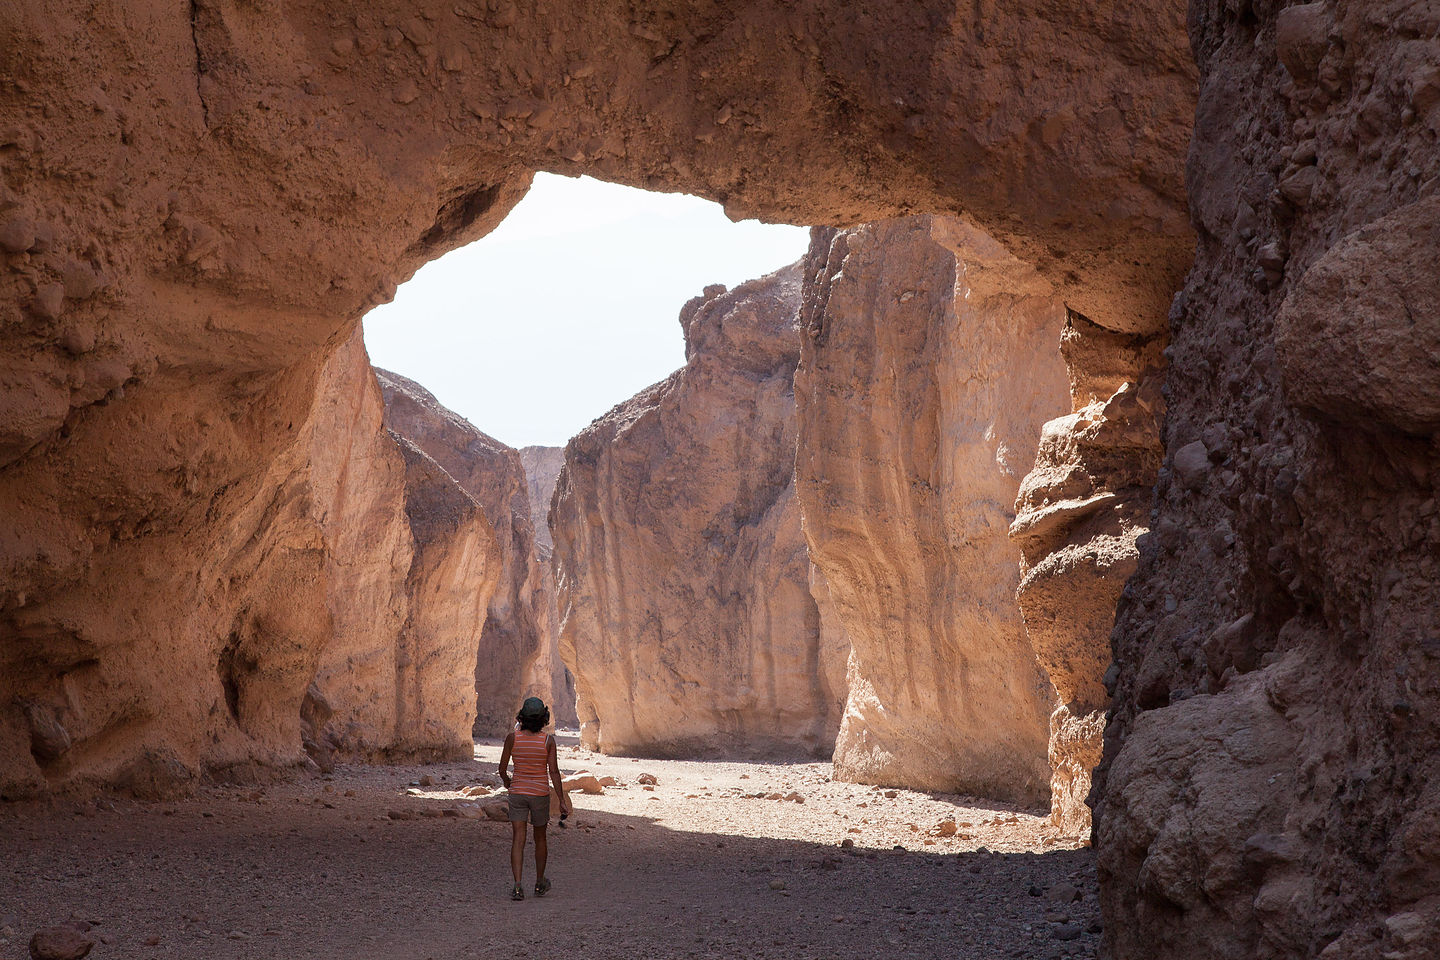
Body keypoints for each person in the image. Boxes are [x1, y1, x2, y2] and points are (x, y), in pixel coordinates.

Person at [497, 696, 569, 901]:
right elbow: (553, 772)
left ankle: (518, 886)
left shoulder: (513, 738)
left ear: (522, 717)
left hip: (518, 792)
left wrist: (507, 781)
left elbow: (502, 768)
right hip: (539, 794)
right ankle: (539, 883)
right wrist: (562, 800)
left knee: (518, 839)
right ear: (543, 719)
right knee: (540, 838)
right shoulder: (548, 741)